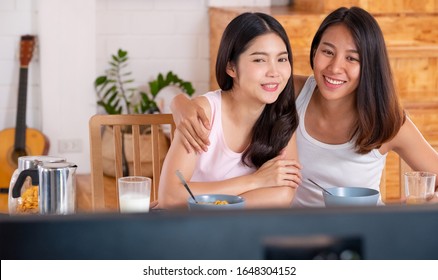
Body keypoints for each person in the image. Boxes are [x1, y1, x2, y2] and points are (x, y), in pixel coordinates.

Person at [170, 6, 438, 207]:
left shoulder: (387, 121)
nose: (335, 68)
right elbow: (238, 93)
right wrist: (179, 102)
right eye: (327, 52)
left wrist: (406, 211)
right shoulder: (291, 93)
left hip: (360, 236)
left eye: (352, 58)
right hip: (294, 236)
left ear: (370, 65)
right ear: (314, 52)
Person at [158, 12, 302, 209]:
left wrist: (204, 202)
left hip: (240, 231)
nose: (274, 72)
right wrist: (255, 181)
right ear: (231, 67)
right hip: (191, 230)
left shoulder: (282, 117)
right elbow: (170, 196)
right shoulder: (204, 114)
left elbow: (283, 194)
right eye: (260, 60)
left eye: (282, 59)